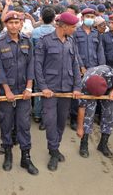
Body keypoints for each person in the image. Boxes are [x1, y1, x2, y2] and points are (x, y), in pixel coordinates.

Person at [0, 11, 38, 176]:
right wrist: (6, 90)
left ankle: (26, 157)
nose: (14, 26)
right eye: (10, 23)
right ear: (6, 24)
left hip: (24, 91)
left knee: (24, 124)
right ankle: (8, 154)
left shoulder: (27, 41)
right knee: (6, 122)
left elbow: (31, 64)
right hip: (8, 92)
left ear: (21, 24)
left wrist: (29, 87)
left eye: (17, 23)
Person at [34, 12, 82, 171]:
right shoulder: (45, 41)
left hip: (66, 88)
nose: (75, 30)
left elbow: (75, 65)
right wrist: (43, 87)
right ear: (64, 26)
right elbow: (38, 66)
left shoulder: (71, 41)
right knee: (50, 121)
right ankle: (53, 151)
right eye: (73, 27)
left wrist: (77, 87)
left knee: (61, 121)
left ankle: (55, 147)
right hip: (50, 89)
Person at [76, 66, 113, 158]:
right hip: (90, 92)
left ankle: (103, 144)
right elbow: (82, 109)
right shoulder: (84, 85)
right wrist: (80, 128)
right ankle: (84, 144)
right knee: (88, 114)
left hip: (109, 90)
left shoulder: (109, 73)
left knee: (109, 114)